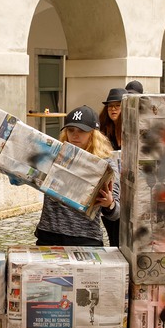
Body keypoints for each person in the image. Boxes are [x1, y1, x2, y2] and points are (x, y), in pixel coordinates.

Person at [33, 106, 119, 246]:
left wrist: (109, 204)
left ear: (93, 134)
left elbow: (116, 214)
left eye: (81, 131)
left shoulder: (106, 164)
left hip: (85, 238)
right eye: (70, 130)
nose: (75, 135)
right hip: (49, 234)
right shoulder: (55, 155)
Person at [99, 86, 132, 247]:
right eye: (110, 106)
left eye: (117, 106)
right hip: (112, 185)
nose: (113, 109)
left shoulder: (131, 130)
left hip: (129, 187)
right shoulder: (103, 131)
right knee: (113, 231)